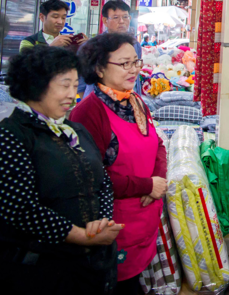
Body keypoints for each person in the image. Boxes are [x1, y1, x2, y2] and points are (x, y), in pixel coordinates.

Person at [0, 46, 121, 294]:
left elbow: (103, 182)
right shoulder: (9, 137)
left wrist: (101, 222)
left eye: (75, 86)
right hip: (37, 271)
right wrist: (79, 236)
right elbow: (20, 209)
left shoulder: (75, 131)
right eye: (64, 85)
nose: (72, 95)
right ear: (35, 84)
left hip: (87, 266)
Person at [70, 33, 167, 294]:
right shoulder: (89, 112)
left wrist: (157, 180)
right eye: (125, 64)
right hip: (115, 226)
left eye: (136, 62)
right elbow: (90, 176)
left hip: (144, 221)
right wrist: (146, 185)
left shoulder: (135, 101)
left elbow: (157, 144)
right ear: (99, 68)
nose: (135, 70)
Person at [83, 0, 142, 98]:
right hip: (100, 101)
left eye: (125, 17)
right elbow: (82, 82)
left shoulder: (135, 45)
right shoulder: (95, 46)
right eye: (116, 17)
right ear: (105, 21)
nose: (122, 21)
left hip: (128, 100)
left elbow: (136, 77)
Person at [19, 0, 87, 51]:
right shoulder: (29, 42)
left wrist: (88, 48)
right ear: (42, 17)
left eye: (63, 17)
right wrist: (52, 47)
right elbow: (27, 65)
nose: (60, 22)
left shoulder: (69, 42)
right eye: (55, 17)